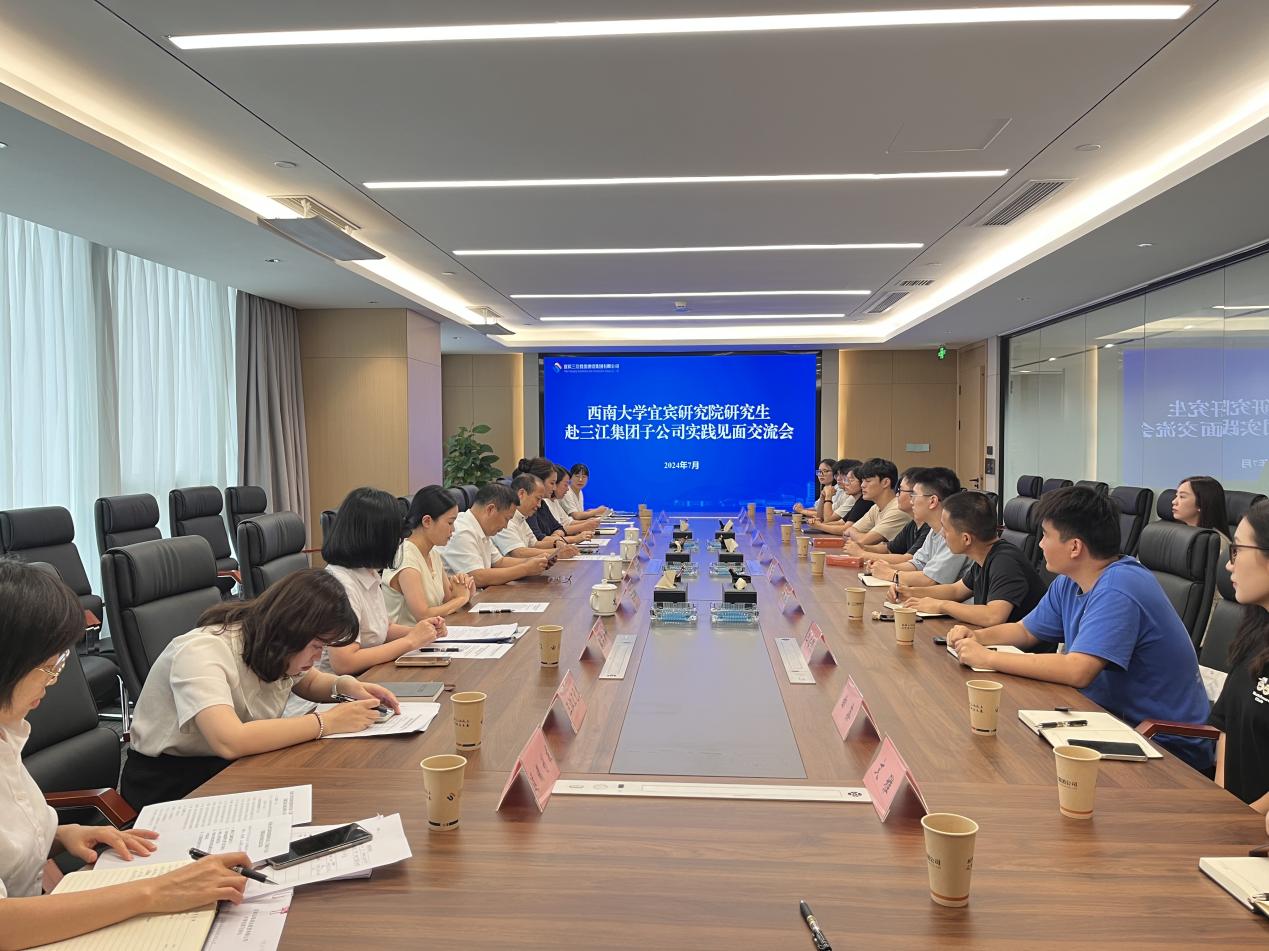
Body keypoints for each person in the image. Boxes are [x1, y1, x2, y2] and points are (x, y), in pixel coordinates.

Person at [0, 559, 254, 946]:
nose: (53, 681)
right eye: (48, 667)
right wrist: (156, 892)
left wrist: (60, 834)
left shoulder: (9, 730)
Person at [947, 486, 1213, 771]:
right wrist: (976, 637)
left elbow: (1078, 670)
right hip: (1106, 720)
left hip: (1161, 742)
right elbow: (1025, 631)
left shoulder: (1119, 588)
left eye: (1046, 535)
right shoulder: (1070, 580)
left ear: (1074, 547)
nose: (1040, 544)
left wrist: (988, 658)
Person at [121, 568, 399, 808]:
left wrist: (346, 685)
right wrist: (326, 722)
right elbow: (230, 740)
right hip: (173, 783)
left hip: (234, 765)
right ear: (291, 629)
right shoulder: (201, 651)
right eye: (316, 646)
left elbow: (310, 681)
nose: (318, 657)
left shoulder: (270, 644)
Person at [319, 487, 447, 676]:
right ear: (375, 538)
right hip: (340, 686)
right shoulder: (340, 585)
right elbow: (345, 662)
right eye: (394, 536)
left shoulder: (368, 572)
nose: (398, 542)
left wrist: (423, 631)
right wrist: (411, 641)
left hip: (369, 675)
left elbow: (381, 630)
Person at [897, 490, 1046, 626]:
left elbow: (993, 616)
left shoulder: (1005, 561)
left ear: (966, 539)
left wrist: (942, 606)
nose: (942, 534)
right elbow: (956, 591)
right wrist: (910, 592)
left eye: (946, 529)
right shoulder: (984, 557)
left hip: (1020, 646)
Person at [1209, 500, 1269, 810]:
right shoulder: (1255, 629)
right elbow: (1226, 726)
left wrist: (1242, 819)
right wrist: (1221, 802)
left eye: (1238, 550)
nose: (1229, 565)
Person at [383, 485, 477, 624]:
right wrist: (461, 599)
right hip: (409, 636)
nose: (453, 529)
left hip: (434, 632)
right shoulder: (406, 558)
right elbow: (423, 615)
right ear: (427, 521)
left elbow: (448, 600)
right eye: (450, 522)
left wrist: (465, 589)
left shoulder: (432, 552)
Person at [438, 482, 553, 586]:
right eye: (506, 519)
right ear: (490, 509)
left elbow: (499, 562)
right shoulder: (462, 531)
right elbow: (477, 577)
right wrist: (525, 569)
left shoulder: (481, 527)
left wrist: (534, 561)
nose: (506, 526)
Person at [867, 467, 967, 585]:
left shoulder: (957, 532)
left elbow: (932, 580)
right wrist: (885, 567)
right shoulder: (934, 529)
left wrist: (891, 574)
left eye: (914, 495)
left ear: (932, 501)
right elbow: (917, 564)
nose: (911, 501)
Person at [496, 474, 580, 558]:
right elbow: (518, 552)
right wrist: (556, 552)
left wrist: (555, 543)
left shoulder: (521, 517)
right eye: (538, 499)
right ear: (521, 493)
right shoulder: (505, 519)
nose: (539, 505)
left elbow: (534, 544)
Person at [851, 469, 927, 561]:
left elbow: (909, 560)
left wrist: (862, 553)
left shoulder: (929, 528)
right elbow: (888, 548)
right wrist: (862, 548)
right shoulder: (912, 524)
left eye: (900, 490)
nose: (897, 494)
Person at [806, 463, 873, 535]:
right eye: (846, 480)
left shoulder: (865, 502)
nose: (845, 483)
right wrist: (818, 524)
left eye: (850, 480)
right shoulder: (858, 500)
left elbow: (844, 528)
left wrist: (819, 526)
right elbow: (840, 522)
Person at [544, 464, 601, 537]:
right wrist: (585, 524)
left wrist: (588, 522)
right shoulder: (546, 502)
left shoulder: (555, 501)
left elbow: (567, 522)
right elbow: (574, 518)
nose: (580, 480)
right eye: (577, 476)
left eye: (584, 477)